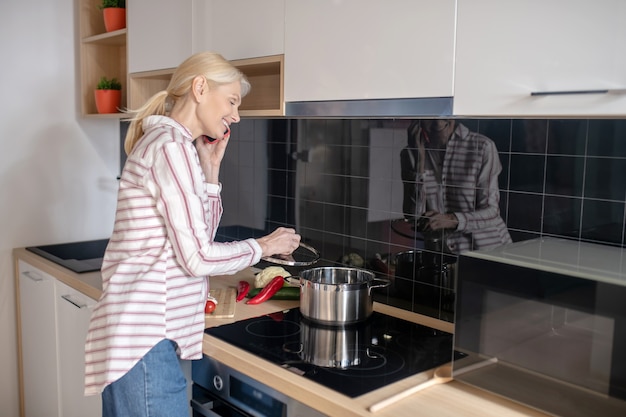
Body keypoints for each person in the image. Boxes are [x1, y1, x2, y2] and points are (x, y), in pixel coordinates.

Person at [84, 52, 301, 417]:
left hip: (140, 339)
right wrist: (264, 245)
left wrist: (210, 170)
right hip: (145, 341)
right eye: (232, 101)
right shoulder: (170, 147)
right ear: (200, 88)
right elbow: (198, 257)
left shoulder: (173, 144)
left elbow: (197, 234)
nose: (236, 115)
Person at [400, 119, 512, 254]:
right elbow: (413, 217)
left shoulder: (483, 147)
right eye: (430, 115)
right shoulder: (410, 153)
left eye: (443, 114)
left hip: (489, 251)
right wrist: (418, 164)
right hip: (443, 255)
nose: (438, 121)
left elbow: (492, 212)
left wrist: (451, 220)